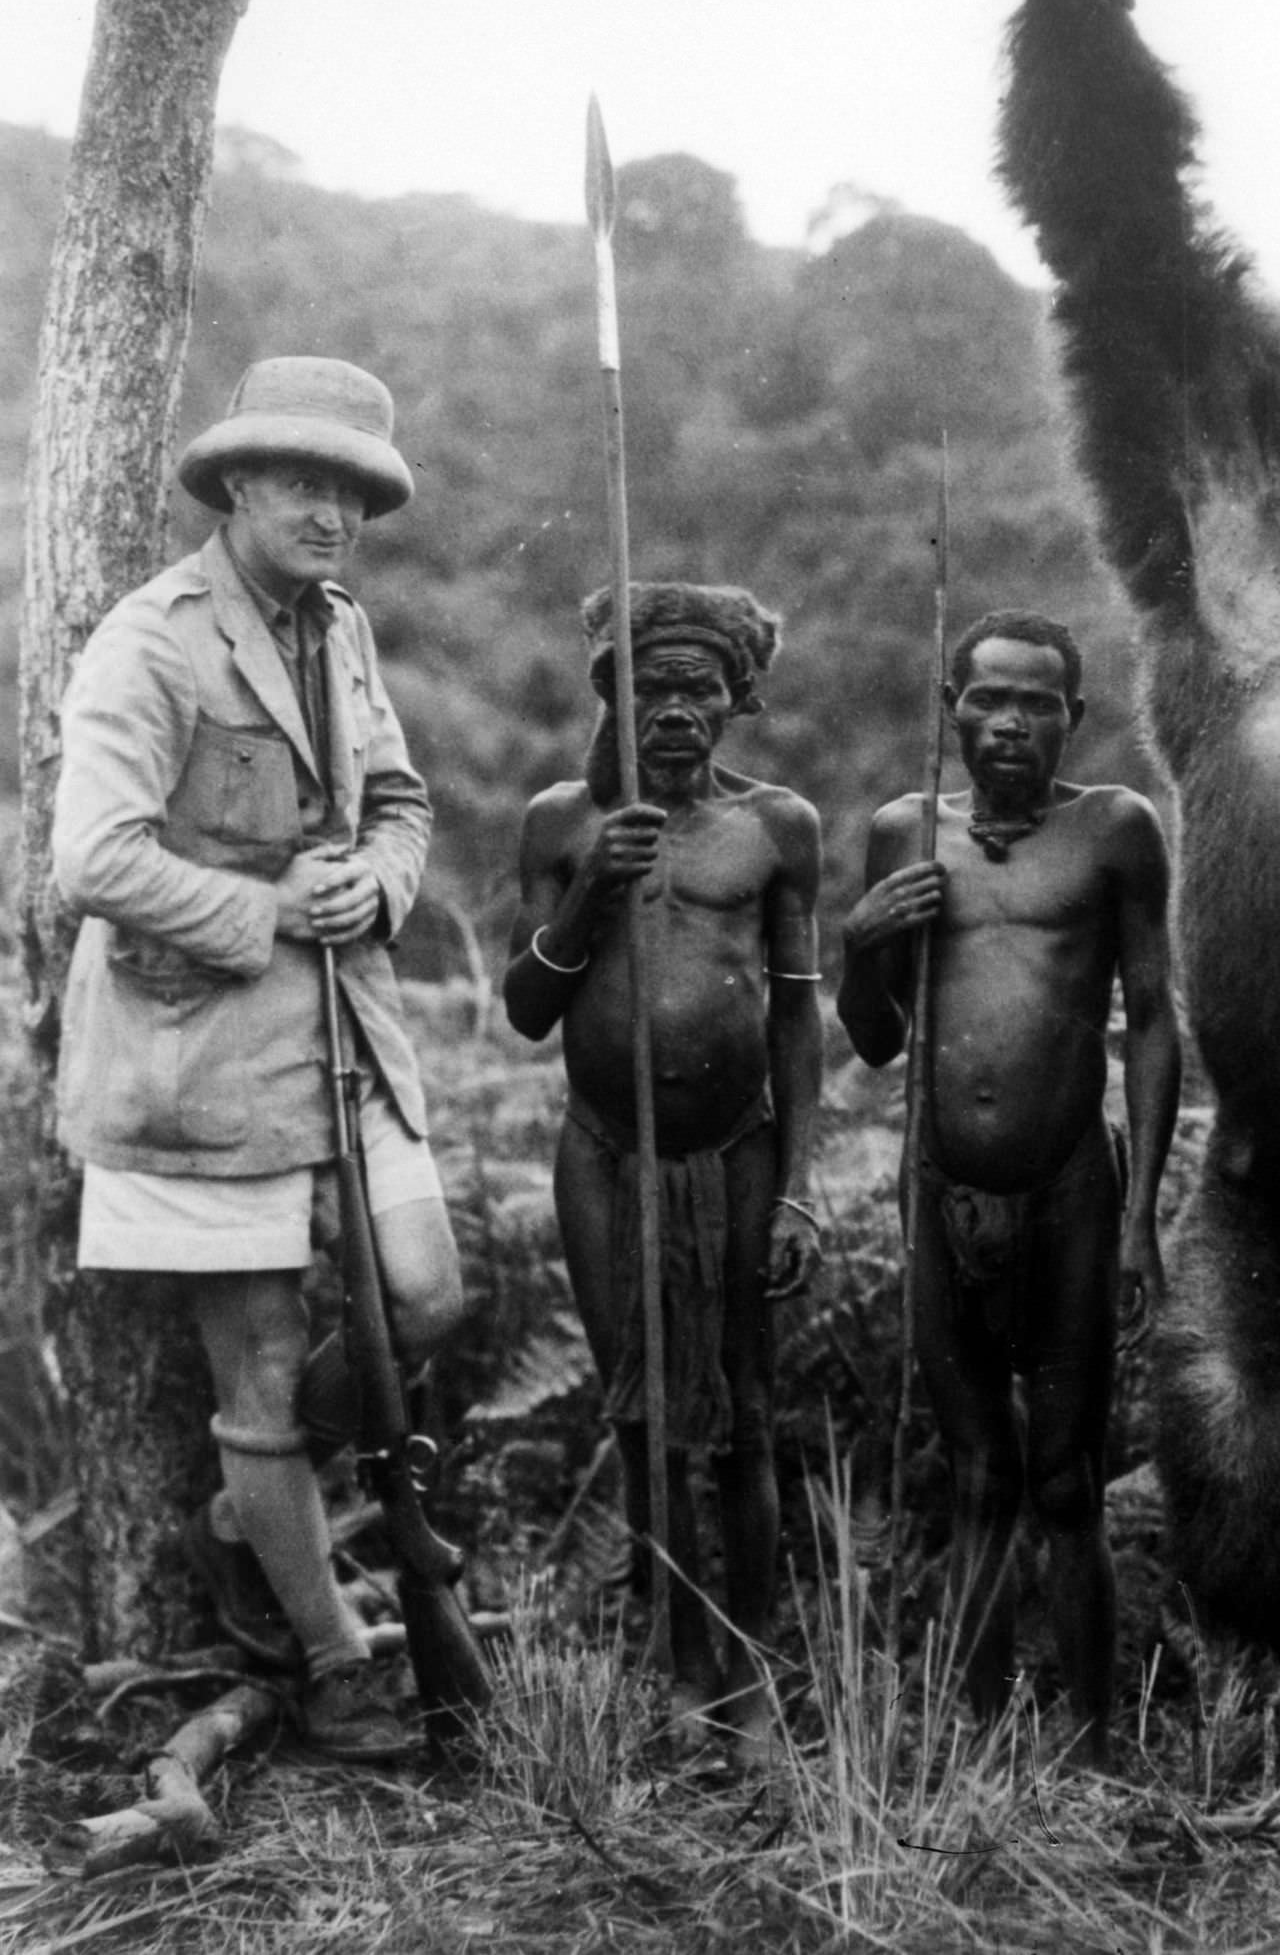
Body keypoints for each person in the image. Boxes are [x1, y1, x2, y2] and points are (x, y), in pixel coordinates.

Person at [53, 355, 463, 1764]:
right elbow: (91, 855)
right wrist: (269, 906)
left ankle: (250, 1514)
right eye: (304, 480)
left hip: (346, 1026)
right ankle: (336, 1653)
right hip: (197, 1055)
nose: (333, 512)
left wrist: (381, 884)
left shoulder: (338, 626)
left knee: (424, 1293)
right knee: (266, 1378)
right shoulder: (151, 640)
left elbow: (400, 801)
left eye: (354, 489)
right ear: (235, 483)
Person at [838, 609, 1182, 1762]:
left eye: (1036, 702)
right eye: (987, 698)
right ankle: (975, 1744)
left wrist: (1140, 1224)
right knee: (978, 1474)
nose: (1009, 721)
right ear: (953, 709)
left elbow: (1151, 1025)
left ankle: (1091, 1753)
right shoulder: (901, 833)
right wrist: (863, 943)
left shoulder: (1114, 833)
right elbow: (874, 1041)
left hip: (1072, 1193)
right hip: (940, 1195)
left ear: (1070, 718)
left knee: (1068, 1480)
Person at [502, 581, 823, 1750]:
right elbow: (526, 1009)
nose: (677, 710)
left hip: (736, 1156)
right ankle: (675, 1668)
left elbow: (796, 1020)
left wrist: (793, 1187)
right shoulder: (558, 824)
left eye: (700, 688)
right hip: (604, 1155)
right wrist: (591, 890)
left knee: (741, 1414)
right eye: (652, 687)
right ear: (613, 698)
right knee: (638, 1420)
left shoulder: (776, 828)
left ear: (737, 698)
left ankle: (747, 1674)